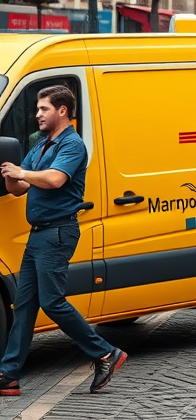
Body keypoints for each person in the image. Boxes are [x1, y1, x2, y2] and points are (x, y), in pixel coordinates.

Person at [0, 86, 127, 397]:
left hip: (58, 232)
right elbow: (18, 189)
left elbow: (55, 179)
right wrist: (9, 171)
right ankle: (9, 375)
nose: (38, 114)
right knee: (26, 306)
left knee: (52, 301)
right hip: (39, 233)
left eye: (44, 109)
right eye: (38, 109)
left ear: (62, 111)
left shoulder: (72, 145)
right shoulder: (41, 146)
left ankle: (106, 352)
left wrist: (22, 171)